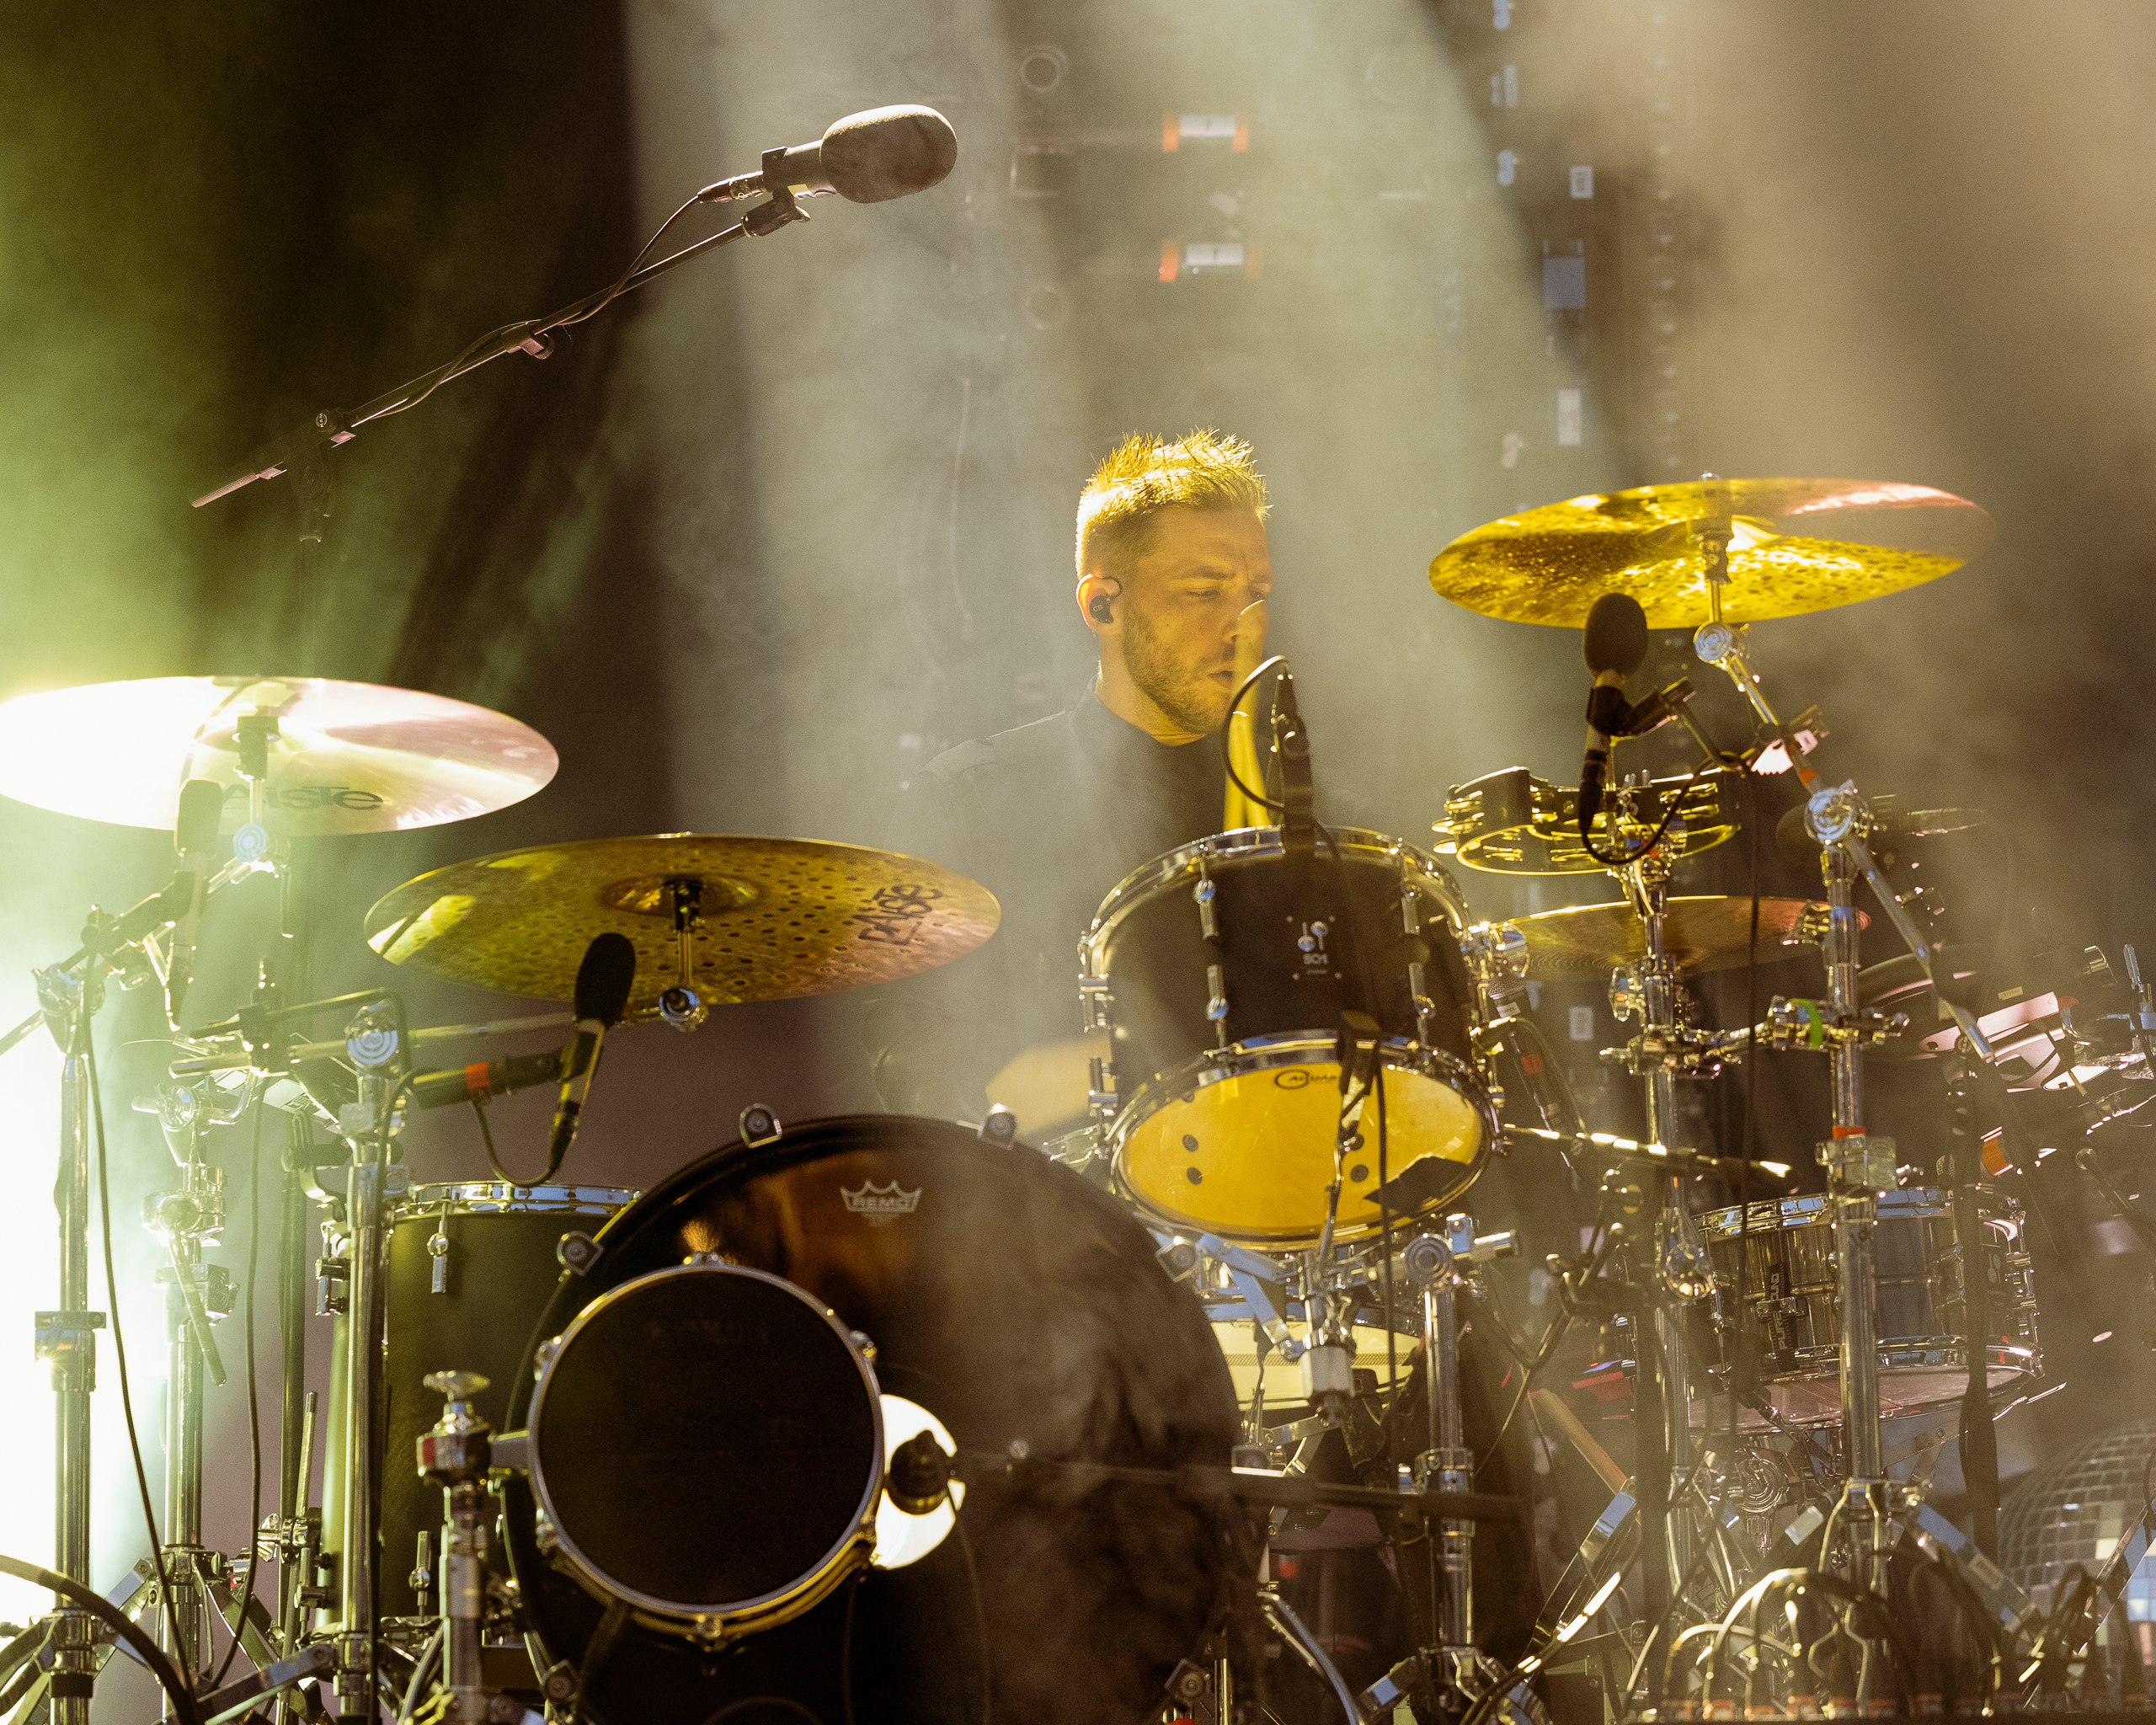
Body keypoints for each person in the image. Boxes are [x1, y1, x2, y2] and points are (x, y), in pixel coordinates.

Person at [862, 428, 1277, 1135]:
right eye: (1205, 592)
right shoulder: (970, 798)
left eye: (1255, 594)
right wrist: (1137, 1071)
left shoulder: (1309, 809)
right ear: (1102, 606)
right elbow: (915, 1055)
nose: (1242, 625)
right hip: (1065, 1195)